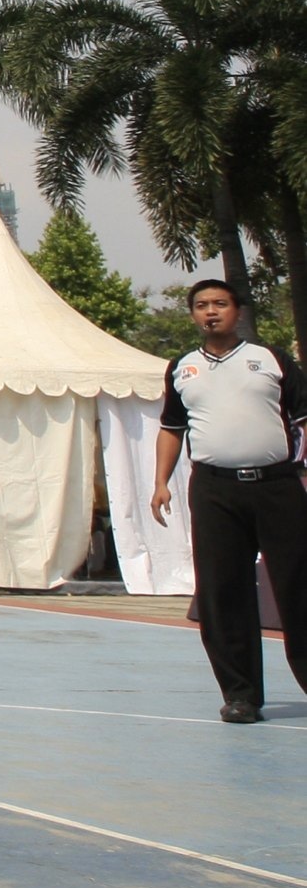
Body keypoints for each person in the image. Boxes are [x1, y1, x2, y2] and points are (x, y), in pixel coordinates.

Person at [153, 277, 307, 724]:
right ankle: (241, 695)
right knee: (222, 592)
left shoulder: (271, 359)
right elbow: (171, 428)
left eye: (220, 303)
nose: (211, 311)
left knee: (298, 586)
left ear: (237, 311)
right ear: (193, 314)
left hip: (277, 486)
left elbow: (304, 418)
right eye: (202, 305)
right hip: (214, 490)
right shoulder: (182, 368)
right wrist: (160, 482)